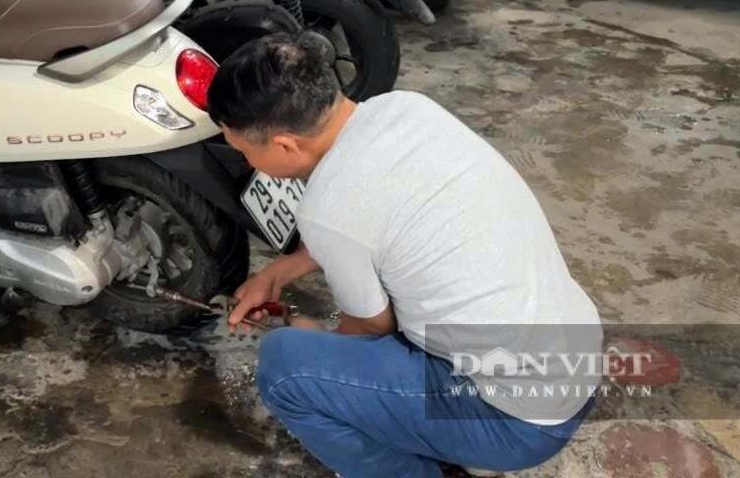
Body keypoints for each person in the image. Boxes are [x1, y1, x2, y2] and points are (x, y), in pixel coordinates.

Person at [206, 33, 602, 478]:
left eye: (245, 152)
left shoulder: (329, 206)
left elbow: (371, 328)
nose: (249, 164)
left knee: (286, 368)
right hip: (577, 362)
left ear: (284, 145)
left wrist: (315, 334)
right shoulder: (405, 109)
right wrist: (282, 270)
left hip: (516, 423)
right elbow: (370, 221)